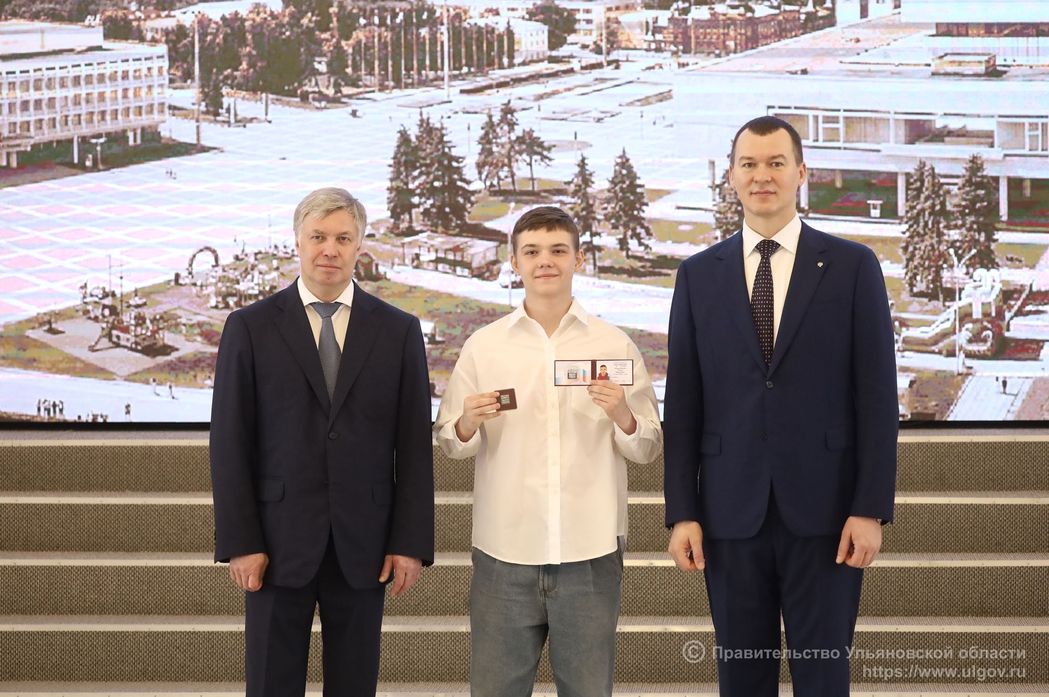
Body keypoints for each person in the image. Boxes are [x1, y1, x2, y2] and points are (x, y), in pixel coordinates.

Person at [664, 116, 898, 697]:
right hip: (729, 515)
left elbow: (876, 398)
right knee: (742, 678)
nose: (761, 176)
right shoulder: (698, 276)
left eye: (775, 163)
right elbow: (685, 404)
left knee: (823, 676)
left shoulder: (852, 266)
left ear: (801, 173)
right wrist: (682, 512)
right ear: (731, 176)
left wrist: (870, 508)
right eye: (748, 164)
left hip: (827, 514)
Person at [210, 187, 435, 697]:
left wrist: (409, 543)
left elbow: (413, 449)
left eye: (342, 238)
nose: (329, 249)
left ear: (360, 245)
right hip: (275, 544)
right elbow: (229, 443)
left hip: (365, 545)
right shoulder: (249, 327)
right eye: (318, 237)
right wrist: (241, 542)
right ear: (297, 241)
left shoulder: (399, 331)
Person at [435, 206, 663, 697]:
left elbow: (647, 447)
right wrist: (468, 421)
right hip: (504, 551)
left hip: (590, 551)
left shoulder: (614, 344)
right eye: (532, 251)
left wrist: (622, 414)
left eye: (558, 250)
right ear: (514, 262)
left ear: (578, 259)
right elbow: (450, 442)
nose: (546, 261)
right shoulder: (484, 346)